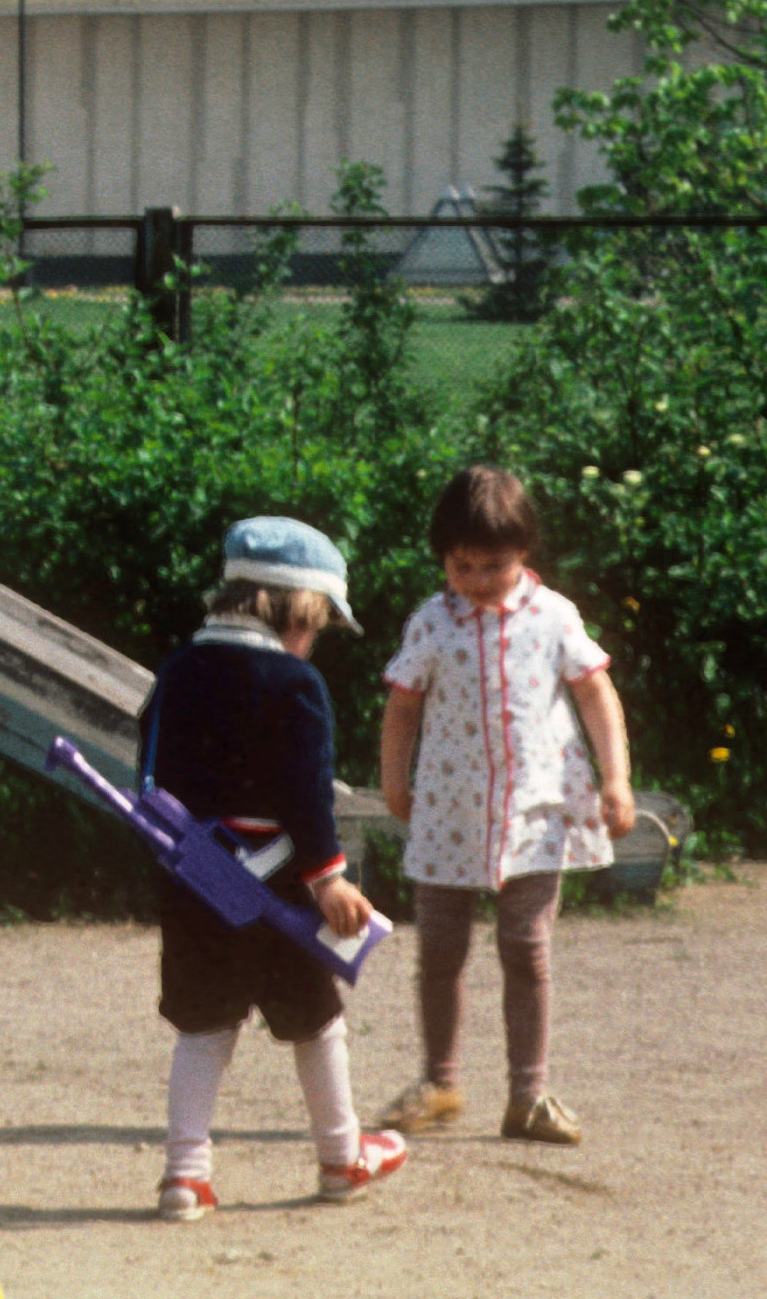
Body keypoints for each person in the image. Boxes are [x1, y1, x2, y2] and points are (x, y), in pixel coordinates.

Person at [141, 516, 397, 1222]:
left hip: (195, 882)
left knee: (202, 1027)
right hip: (284, 883)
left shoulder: (176, 672)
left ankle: (184, 1176)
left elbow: (151, 774)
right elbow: (304, 791)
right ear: (297, 611)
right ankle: (340, 1157)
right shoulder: (295, 682)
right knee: (316, 1023)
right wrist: (328, 878)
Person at [376, 463, 634, 1148]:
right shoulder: (432, 622)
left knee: (525, 947)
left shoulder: (553, 618)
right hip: (448, 812)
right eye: (461, 566)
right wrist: (392, 782)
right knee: (439, 950)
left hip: (533, 811)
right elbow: (401, 706)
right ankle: (439, 1080)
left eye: (492, 565)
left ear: (524, 553)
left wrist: (616, 780)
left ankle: (527, 1096)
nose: (476, 579)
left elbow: (593, 695)